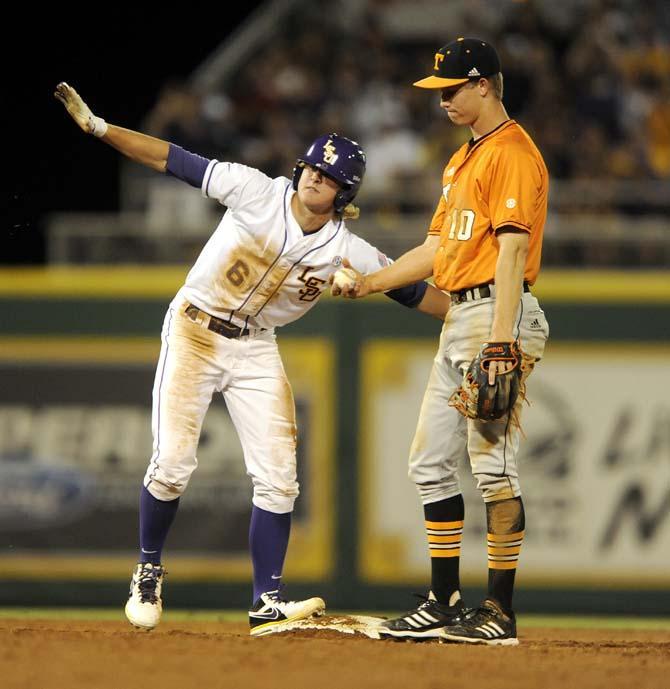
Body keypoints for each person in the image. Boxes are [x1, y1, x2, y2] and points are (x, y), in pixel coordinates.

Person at [54, 82, 450, 636]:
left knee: (280, 479)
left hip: (256, 345)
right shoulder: (255, 190)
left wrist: (477, 315)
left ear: (344, 192)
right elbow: (173, 159)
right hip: (195, 327)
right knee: (172, 466)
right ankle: (148, 567)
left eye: (328, 174)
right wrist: (100, 128)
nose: (315, 174)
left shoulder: (349, 251)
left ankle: (266, 601)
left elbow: (412, 292)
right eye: (312, 166)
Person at [331, 37, 549, 645]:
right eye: (439, 92)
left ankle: (499, 613)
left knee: (493, 470)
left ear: (485, 86)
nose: (443, 101)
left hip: (495, 317)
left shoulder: (512, 153)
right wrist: (369, 283)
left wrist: (502, 341)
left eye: (452, 90)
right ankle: (444, 601)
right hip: (460, 316)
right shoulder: (461, 161)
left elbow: (510, 253)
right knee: (429, 463)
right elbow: (436, 250)